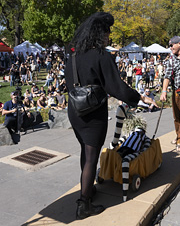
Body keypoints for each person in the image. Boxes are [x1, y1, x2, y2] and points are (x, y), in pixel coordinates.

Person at [65, 12, 156, 219]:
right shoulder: (101, 55)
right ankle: (84, 204)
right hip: (93, 113)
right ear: (99, 33)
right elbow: (117, 88)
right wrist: (140, 97)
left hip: (75, 110)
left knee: (85, 152)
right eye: (107, 32)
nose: (109, 36)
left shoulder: (72, 53)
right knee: (91, 157)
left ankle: (87, 189)